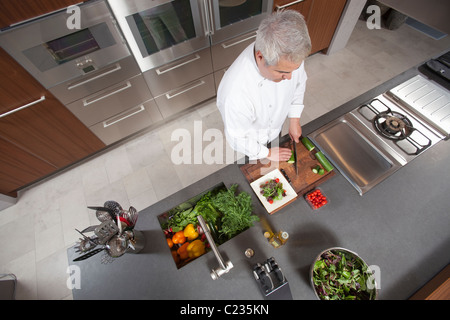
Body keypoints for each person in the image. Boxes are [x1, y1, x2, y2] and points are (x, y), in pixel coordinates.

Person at [216, 10, 311, 162]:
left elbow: (299, 83)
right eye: (282, 72)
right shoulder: (235, 93)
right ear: (260, 57)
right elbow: (238, 138)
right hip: (253, 142)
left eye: (294, 69)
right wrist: (265, 153)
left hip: (275, 129)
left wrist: (294, 119)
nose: (290, 77)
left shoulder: (290, 55)